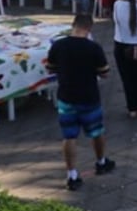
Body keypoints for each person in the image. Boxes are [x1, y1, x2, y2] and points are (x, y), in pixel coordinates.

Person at [46, 14, 116, 191]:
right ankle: (101, 161)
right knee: (96, 131)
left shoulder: (58, 45)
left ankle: (72, 174)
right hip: (89, 97)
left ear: (73, 25)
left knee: (69, 136)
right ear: (89, 28)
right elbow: (105, 72)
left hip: (66, 97)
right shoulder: (93, 48)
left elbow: (50, 68)